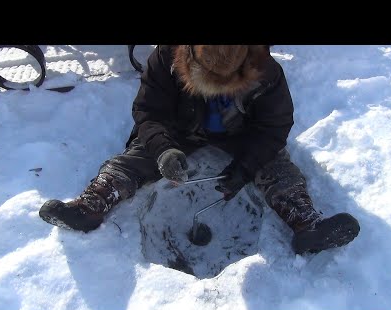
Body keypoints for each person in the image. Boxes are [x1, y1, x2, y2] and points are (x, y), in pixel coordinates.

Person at [39, 45, 360, 255]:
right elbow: (150, 113)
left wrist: (245, 167)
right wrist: (163, 149)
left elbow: (273, 128)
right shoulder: (165, 58)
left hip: (241, 134)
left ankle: (306, 223)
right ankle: (90, 207)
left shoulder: (267, 72)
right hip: (179, 130)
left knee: (276, 166)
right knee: (137, 156)